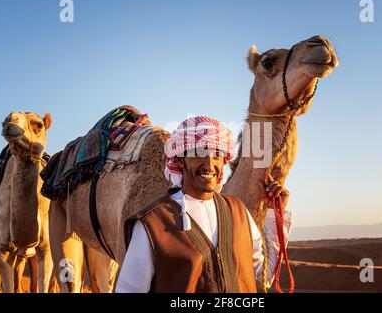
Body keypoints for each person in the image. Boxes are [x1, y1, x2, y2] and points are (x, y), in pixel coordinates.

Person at [115, 116, 292, 293]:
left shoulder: (238, 211)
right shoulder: (152, 223)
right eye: (199, 153)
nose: (209, 164)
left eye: (217, 155)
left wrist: (274, 213)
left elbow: (265, 276)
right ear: (179, 160)